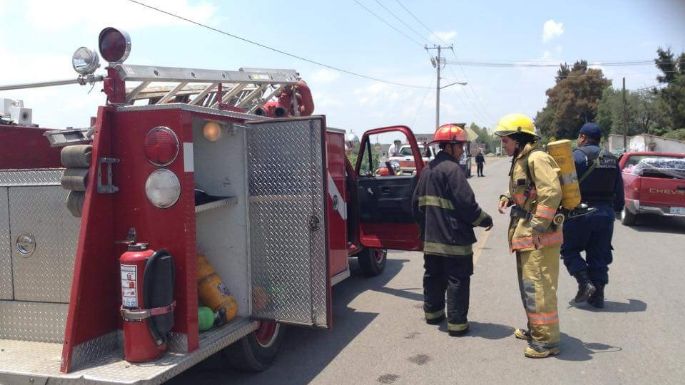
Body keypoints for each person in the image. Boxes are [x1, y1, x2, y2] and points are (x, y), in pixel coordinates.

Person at [412, 123, 493, 337]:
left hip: (431, 239)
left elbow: (415, 205)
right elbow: (466, 204)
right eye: (460, 146)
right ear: (449, 146)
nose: (462, 151)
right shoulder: (453, 169)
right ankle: (457, 325)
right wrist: (485, 220)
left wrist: (425, 229)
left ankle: (433, 314)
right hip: (454, 240)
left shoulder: (426, 171)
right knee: (457, 278)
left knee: (433, 275)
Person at [494, 113, 563, 358]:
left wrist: (538, 225)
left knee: (539, 288)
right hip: (527, 237)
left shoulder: (537, 158)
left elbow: (551, 192)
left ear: (518, 138)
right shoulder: (522, 159)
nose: (503, 144)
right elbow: (525, 188)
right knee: (530, 288)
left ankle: (546, 342)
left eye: (505, 140)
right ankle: (536, 330)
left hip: (539, 239)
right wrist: (508, 195)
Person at [560, 123, 624, 308]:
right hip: (605, 214)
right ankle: (598, 296)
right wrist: (617, 210)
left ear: (582, 137)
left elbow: (564, 185)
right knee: (599, 255)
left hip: (579, 213)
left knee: (569, 249)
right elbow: (618, 190)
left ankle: (584, 282)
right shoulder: (612, 159)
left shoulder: (575, 157)